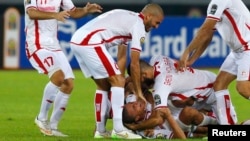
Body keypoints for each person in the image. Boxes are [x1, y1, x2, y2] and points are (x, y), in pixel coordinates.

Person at [70, 3, 164, 139]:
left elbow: (121, 56)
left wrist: (118, 81)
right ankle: (119, 129)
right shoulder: (138, 25)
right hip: (90, 42)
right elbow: (135, 63)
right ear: (148, 16)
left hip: (77, 40)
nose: (156, 26)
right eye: (157, 22)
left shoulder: (127, 18)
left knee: (103, 85)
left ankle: (100, 131)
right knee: (118, 80)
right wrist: (138, 92)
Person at [24, 0, 102, 137]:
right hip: (36, 45)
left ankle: (53, 127)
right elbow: (31, 13)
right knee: (58, 77)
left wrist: (85, 10)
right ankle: (41, 118)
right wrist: (55, 15)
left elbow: (73, 12)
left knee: (68, 84)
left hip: (54, 45)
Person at [178, 0, 250, 125]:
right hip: (237, 52)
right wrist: (192, 59)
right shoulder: (214, 4)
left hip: (248, 48)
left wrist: (187, 51)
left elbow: (205, 29)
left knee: (243, 88)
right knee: (219, 84)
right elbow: (208, 35)